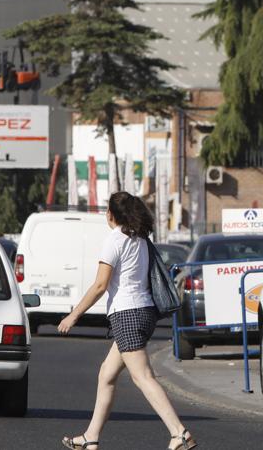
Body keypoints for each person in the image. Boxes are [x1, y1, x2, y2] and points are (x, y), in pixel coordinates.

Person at [59, 192, 195, 450]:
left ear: (111, 214)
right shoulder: (140, 238)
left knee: (142, 376)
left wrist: (73, 315)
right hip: (144, 312)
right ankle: (91, 437)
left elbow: (100, 285)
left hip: (127, 314)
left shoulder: (114, 240)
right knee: (106, 375)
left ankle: (179, 433)